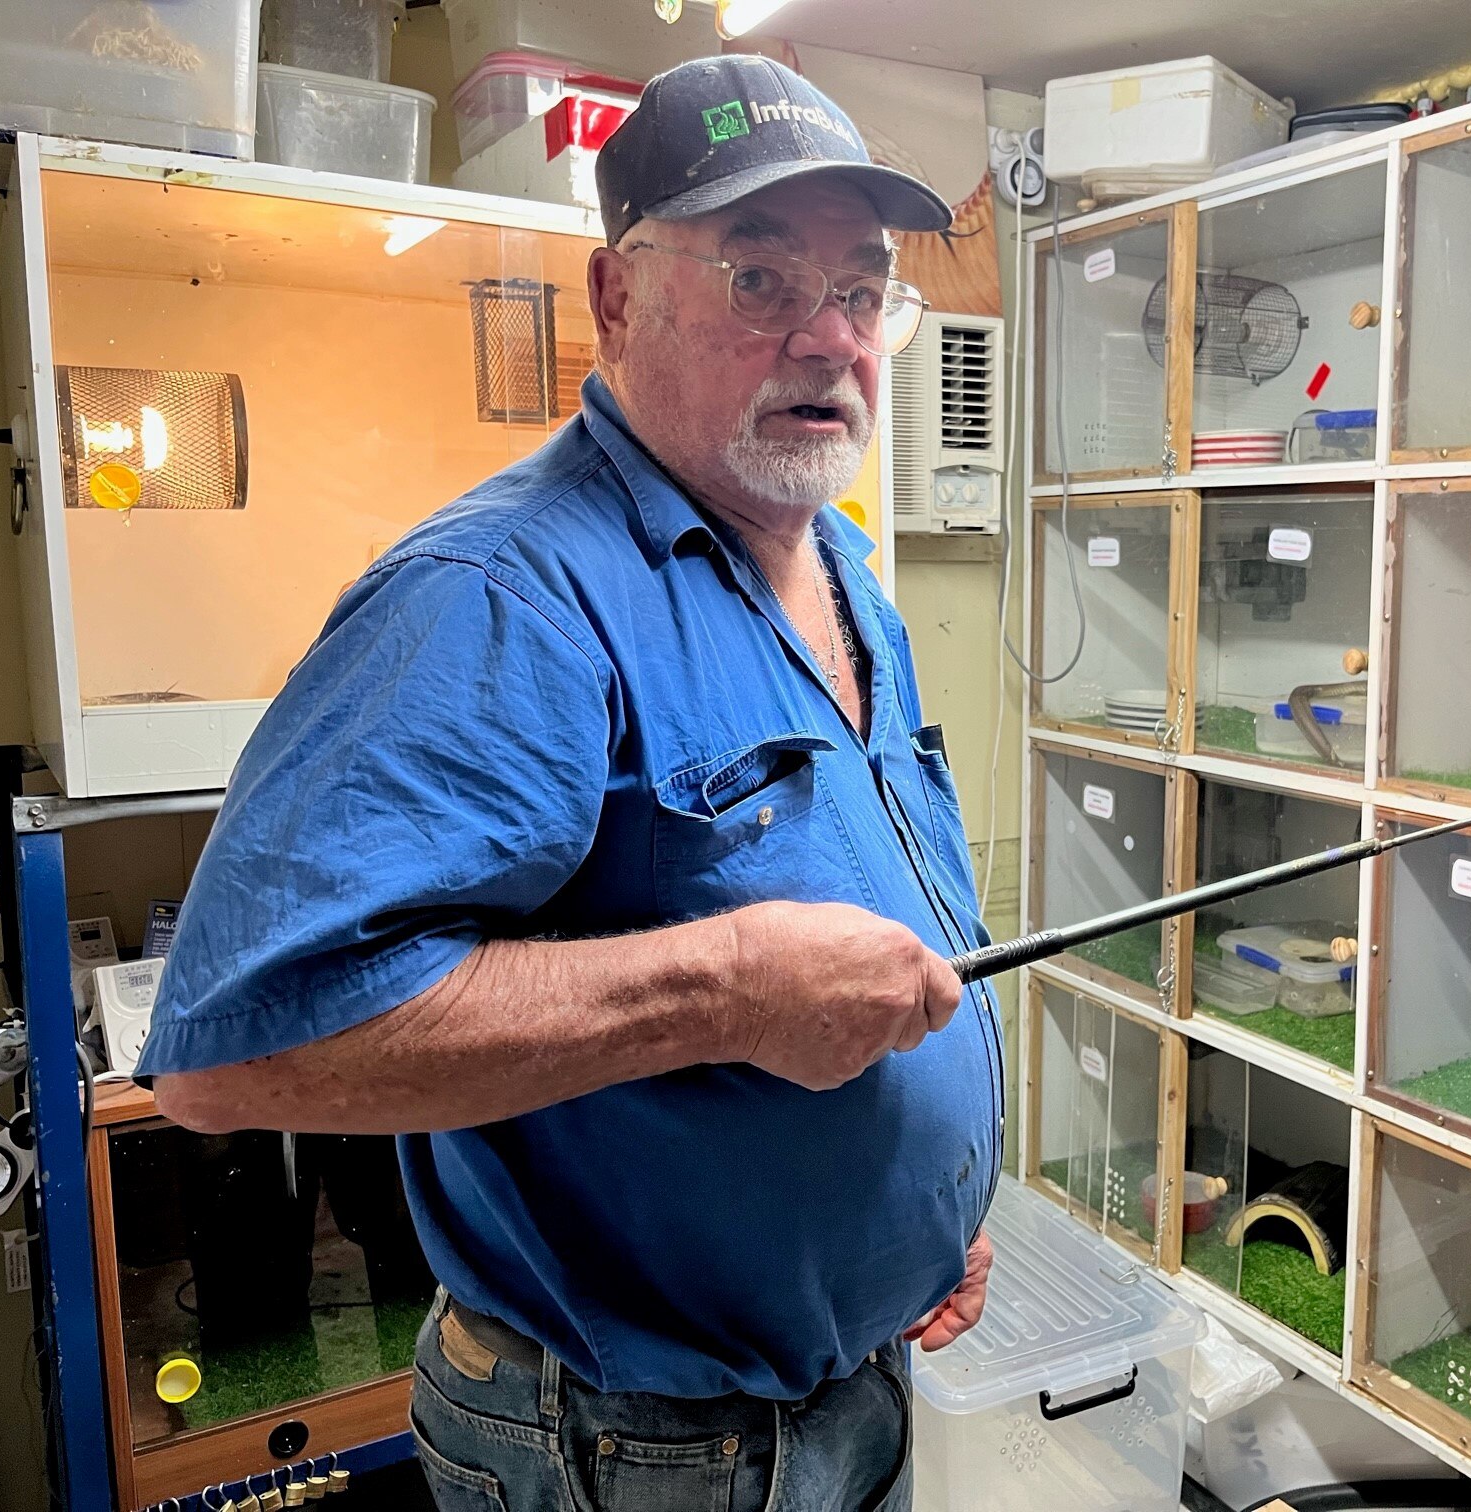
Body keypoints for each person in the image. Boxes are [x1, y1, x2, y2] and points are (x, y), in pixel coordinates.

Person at [141, 54, 1002, 1512]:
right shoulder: (502, 595)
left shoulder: (847, 568)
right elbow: (230, 1061)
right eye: (756, 280)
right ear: (615, 299)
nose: (827, 337)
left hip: (858, 1385)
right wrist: (724, 988)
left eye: (861, 289)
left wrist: (919, 1222)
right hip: (635, 1447)